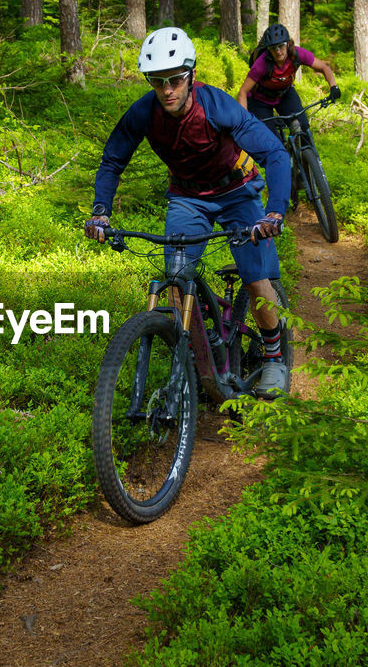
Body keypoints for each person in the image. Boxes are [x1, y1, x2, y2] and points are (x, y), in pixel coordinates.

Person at [84, 27, 292, 398]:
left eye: (176, 79)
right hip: (188, 197)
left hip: (237, 191)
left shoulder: (215, 105)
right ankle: (202, 344)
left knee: (256, 277)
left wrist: (273, 213)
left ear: (191, 75)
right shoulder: (144, 113)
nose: (168, 90)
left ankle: (275, 356)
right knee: (177, 279)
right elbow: (112, 160)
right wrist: (100, 213)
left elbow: (275, 153)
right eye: (158, 81)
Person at [237, 23, 341, 140]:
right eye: (273, 48)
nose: (277, 51)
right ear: (268, 49)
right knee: (270, 142)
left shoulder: (297, 54)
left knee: (303, 128)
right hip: (260, 101)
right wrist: (245, 120)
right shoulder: (261, 64)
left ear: (287, 43)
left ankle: (307, 155)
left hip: (284, 94)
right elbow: (243, 92)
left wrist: (334, 86)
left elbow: (324, 68)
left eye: (280, 46)